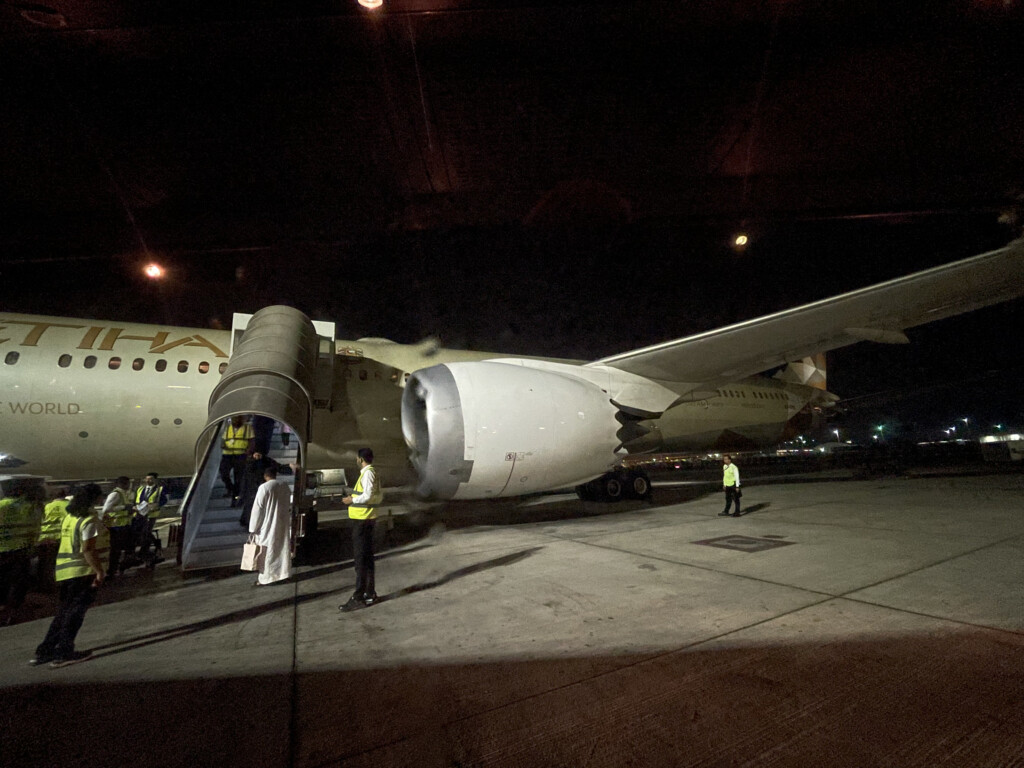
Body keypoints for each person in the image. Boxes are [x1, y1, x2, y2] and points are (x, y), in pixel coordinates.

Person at [30, 483, 105, 668]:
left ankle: (44, 651)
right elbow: (87, 549)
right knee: (75, 614)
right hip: (81, 572)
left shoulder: (69, 518)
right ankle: (64, 652)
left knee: (63, 613)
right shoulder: (89, 520)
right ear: (95, 499)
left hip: (64, 571)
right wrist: (99, 571)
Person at [340, 448, 383, 612]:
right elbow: (377, 496)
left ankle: (359, 596)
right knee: (367, 559)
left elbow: (368, 495)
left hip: (363, 520)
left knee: (360, 560)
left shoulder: (368, 473)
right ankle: (369, 593)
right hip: (367, 519)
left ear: (359, 459)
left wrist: (352, 499)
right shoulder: (373, 473)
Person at [0, 481, 44, 626]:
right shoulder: (31, 507)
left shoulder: (2, 505)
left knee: (2, 581)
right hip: (22, 550)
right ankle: (13, 612)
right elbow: (36, 529)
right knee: (19, 583)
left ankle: (2, 607)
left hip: (2, 550)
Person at [248, 465, 292, 586]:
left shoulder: (264, 487)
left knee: (267, 551)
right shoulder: (284, 486)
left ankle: (266, 578)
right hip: (282, 522)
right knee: (281, 549)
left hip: (267, 525)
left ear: (265, 476)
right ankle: (283, 573)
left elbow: (258, 508)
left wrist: (253, 528)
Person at [129, 472, 166, 568]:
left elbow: (163, 500)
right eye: (147, 479)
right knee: (141, 532)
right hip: (139, 514)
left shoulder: (159, 489)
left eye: (150, 479)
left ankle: (146, 552)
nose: (148, 481)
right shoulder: (140, 489)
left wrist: (155, 505)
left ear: (155, 480)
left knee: (146, 532)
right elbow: (135, 501)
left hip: (150, 515)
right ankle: (154, 546)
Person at [36, 488, 70, 594]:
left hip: (45, 539)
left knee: (46, 563)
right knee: (61, 562)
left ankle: (45, 585)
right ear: (65, 495)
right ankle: (60, 583)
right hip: (62, 538)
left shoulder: (47, 506)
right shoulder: (69, 506)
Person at [101, 476, 134, 577]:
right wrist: (124, 507)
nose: (129, 486)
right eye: (128, 483)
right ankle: (111, 571)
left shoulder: (124, 494)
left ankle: (116, 568)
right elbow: (106, 509)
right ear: (124, 484)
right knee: (115, 550)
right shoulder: (115, 494)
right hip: (116, 526)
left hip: (123, 525)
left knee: (120, 550)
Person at [238, 450, 279, 528]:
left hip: (257, 486)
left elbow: (277, 466)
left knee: (252, 506)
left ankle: (249, 523)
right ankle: (248, 522)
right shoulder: (251, 462)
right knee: (251, 505)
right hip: (253, 486)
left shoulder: (265, 461)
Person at [219, 415, 255, 504]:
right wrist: (223, 445)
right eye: (234, 419)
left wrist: (249, 452)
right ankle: (231, 488)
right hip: (227, 455)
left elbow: (251, 441)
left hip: (241, 455)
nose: (236, 420)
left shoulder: (247, 427)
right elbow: (224, 439)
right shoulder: (228, 427)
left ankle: (235, 499)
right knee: (223, 473)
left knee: (238, 478)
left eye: (238, 419)